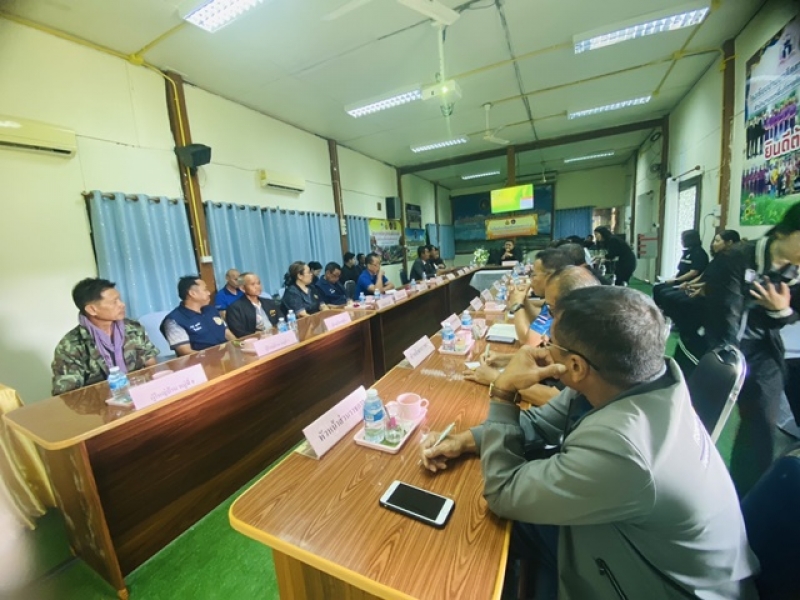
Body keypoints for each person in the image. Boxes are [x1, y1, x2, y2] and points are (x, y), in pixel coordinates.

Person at [422, 286, 759, 600]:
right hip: (634, 539)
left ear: (576, 365)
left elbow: (503, 493)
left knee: (475, 531)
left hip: (658, 585)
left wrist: (504, 392)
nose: (541, 347)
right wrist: (467, 440)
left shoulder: (624, 448)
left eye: (551, 342)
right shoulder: (632, 379)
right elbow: (539, 424)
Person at [704, 202, 800, 497]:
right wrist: (727, 365)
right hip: (718, 347)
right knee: (700, 417)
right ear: (783, 232)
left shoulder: (796, 272)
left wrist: (780, 310)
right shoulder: (735, 259)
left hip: (762, 349)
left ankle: (749, 496)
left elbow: (793, 314)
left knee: (761, 423)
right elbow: (723, 316)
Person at [465, 266, 600, 407]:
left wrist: (498, 379)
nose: (545, 337)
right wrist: (504, 359)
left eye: (551, 310)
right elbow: (552, 359)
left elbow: (559, 400)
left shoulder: (587, 341)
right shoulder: (576, 326)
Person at [51, 278, 159, 395]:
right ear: (92, 309)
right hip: (100, 404)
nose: (122, 305)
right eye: (114, 302)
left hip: (141, 393)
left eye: (120, 299)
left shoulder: (133, 327)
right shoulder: (71, 345)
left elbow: (150, 363)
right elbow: (68, 394)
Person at [507, 248, 571, 343]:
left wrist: (517, 305)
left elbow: (528, 341)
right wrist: (523, 300)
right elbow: (538, 322)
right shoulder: (553, 298)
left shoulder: (561, 304)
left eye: (534, 274)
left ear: (549, 276)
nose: (531, 279)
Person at [162, 276, 235, 356]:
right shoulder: (174, 320)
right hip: (202, 360)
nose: (209, 293)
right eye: (205, 290)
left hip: (226, 356)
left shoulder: (211, 310)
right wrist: (211, 357)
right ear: (192, 293)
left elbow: (226, 333)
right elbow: (185, 351)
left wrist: (238, 345)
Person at [225, 272, 284, 338]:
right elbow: (238, 331)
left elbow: (281, 319)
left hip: (277, 336)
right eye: (252, 284)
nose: (257, 287)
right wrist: (256, 335)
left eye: (258, 283)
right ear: (242, 288)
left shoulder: (269, 302)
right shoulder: (235, 308)